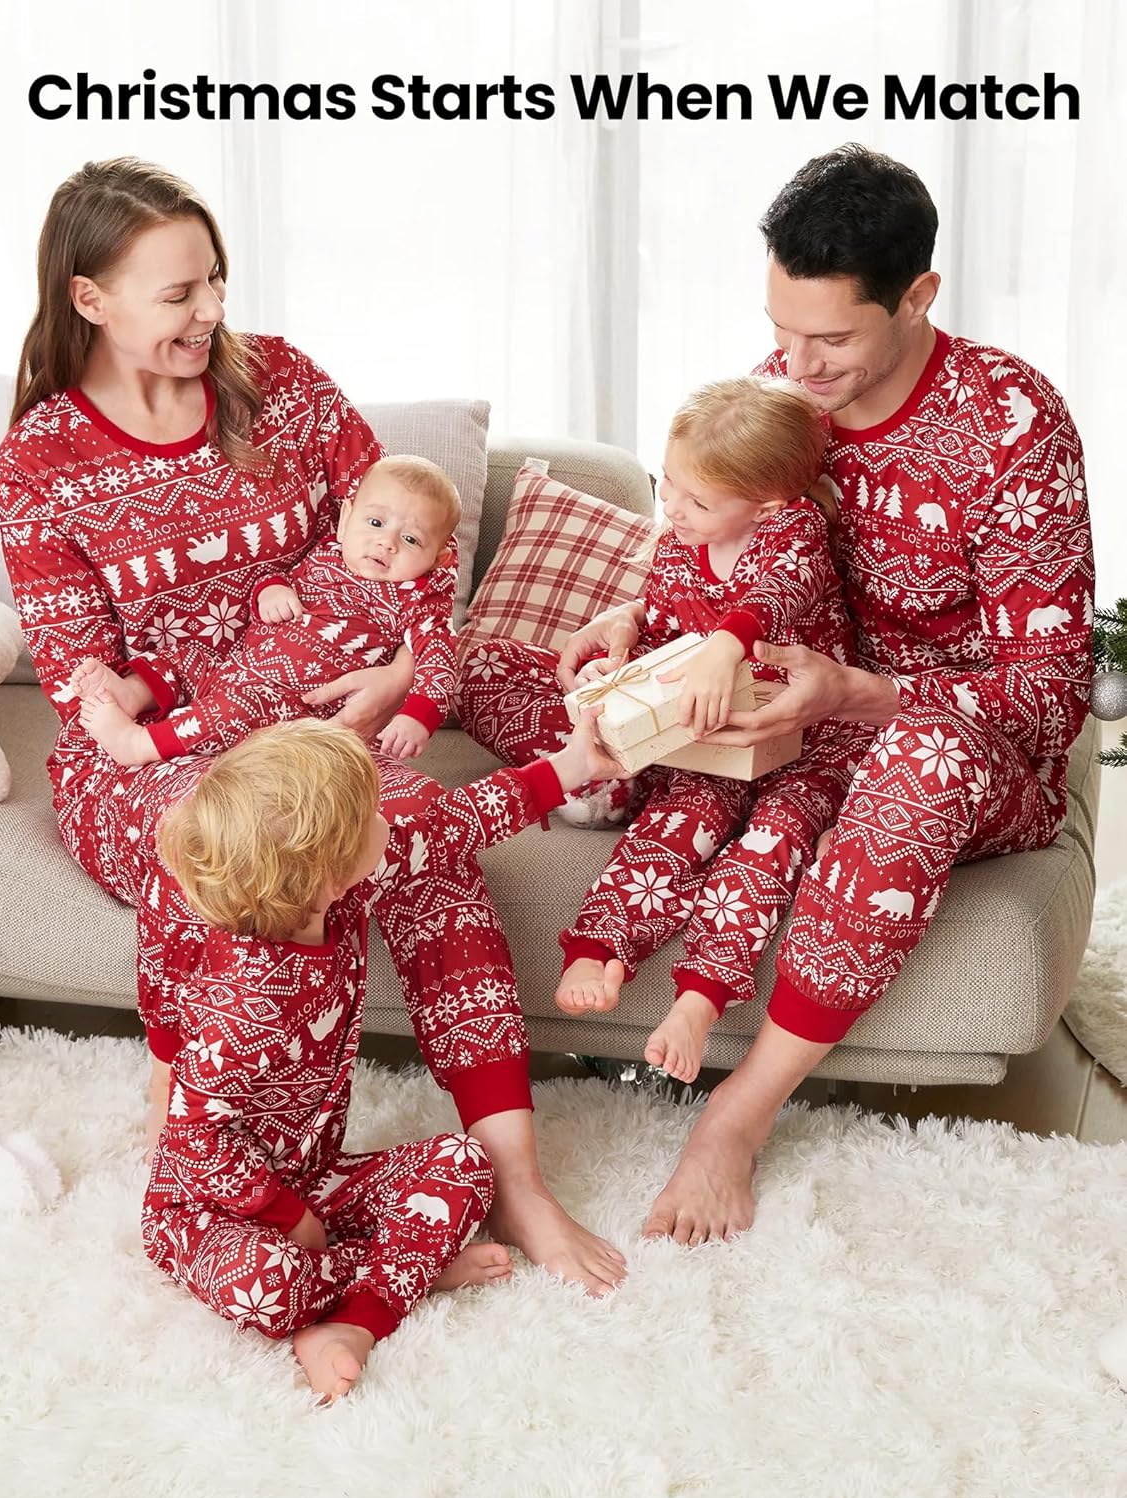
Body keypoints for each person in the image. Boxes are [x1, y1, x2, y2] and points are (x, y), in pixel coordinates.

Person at [0, 155, 627, 1295]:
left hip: (330, 713)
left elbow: (416, 535)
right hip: (156, 763)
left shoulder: (277, 381)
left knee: (423, 854)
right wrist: (178, 719)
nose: (211, 310)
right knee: (280, 834)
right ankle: (201, 1149)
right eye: (178, 292)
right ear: (90, 299)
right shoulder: (39, 459)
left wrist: (398, 676)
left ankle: (517, 1180)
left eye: (215, 280)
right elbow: (80, 666)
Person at [460, 143, 1094, 1245]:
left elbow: (1051, 696)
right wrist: (635, 622)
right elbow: (716, 540)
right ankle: (625, 816)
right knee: (499, 668)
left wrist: (854, 693)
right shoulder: (784, 393)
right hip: (769, 723)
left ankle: (735, 1120)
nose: (795, 364)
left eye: (830, 339)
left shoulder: (1013, 425)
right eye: (781, 329)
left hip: (950, 745)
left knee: (921, 760)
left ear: (918, 297)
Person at [146, 708, 624, 1403]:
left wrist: (574, 765)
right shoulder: (242, 1005)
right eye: (373, 815)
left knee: (467, 1165)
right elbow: (192, 1140)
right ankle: (389, 1280)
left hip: (312, 1175)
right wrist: (288, 1219)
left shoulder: (334, 894)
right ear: (326, 871)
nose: (388, 820)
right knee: (268, 1288)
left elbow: (458, 822)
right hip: (212, 1213)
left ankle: (356, 1314)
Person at [548, 377, 857, 1084]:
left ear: (766, 504)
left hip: (809, 750)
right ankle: (600, 951)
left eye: (698, 501)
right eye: (669, 486)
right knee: (676, 823)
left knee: (769, 845)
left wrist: (727, 644)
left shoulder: (794, 532)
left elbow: (778, 593)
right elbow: (663, 628)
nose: (673, 509)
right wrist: (622, 654)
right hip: (712, 748)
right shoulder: (679, 544)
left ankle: (698, 1001)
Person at [69, 452, 461, 766]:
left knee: (234, 711)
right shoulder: (328, 554)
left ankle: (138, 744)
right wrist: (272, 589)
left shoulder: (416, 599)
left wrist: (418, 715)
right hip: (234, 668)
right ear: (345, 521)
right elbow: (281, 577)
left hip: (292, 708)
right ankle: (133, 694)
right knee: (185, 658)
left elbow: (440, 658)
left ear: (439, 558)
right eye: (375, 522)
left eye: (411, 539)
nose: (387, 543)